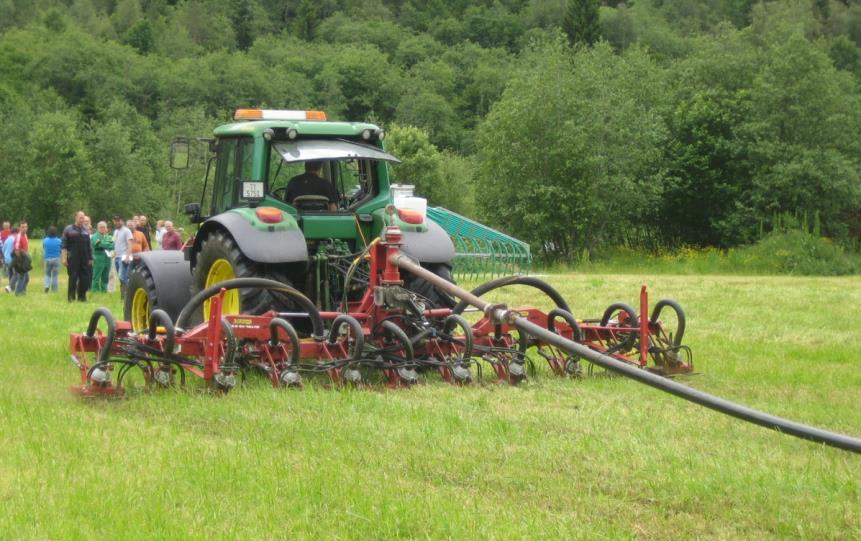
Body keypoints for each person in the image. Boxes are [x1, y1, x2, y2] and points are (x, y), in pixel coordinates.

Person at [62, 211, 93, 302]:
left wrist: (90, 258)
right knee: (73, 278)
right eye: (80, 218)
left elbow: (89, 246)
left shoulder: (86, 230)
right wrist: (64, 258)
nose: (82, 220)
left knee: (85, 278)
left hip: (85, 258)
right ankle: (71, 298)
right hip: (73, 257)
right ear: (75, 218)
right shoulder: (68, 229)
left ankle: (82, 297)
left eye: (83, 218)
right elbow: (64, 245)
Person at [90, 221, 114, 293]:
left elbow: (112, 245)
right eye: (101, 227)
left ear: (106, 228)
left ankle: (104, 290)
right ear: (97, 228)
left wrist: (103, 244)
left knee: (105, 275)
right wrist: (106, 244)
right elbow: (98, 244)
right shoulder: (94, 236)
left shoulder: (109, 237)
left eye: (104, 227)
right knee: (96, 275)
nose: (102, 229)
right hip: (98, 257)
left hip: (107, 258)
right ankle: (95, 290)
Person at [112, 215, 133, 298]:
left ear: (122, 221)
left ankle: (125, 296)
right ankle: (124, 295)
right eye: (115, 221)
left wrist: (128, 256)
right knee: (120, 277)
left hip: (123, 257)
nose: (117, 222)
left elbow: (130, 244)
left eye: (118, 220)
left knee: (123, 277)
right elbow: (114, 243)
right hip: (116, 257)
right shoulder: (115, 231)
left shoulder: (127, 231)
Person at [11, 221, 30, 296]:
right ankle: (18, 293)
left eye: (26, 227)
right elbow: (16, 251)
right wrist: (20, 262)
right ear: (19, 228)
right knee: (22, 277)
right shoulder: (18, 237)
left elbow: (25, 248)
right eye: (23, 227)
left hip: (25, 259)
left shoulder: (25, 235)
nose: (24, 228)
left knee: (26, 278)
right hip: (20, 260)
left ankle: (22, 291)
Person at [42, 226, 62, 293]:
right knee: (55, 275)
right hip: (56, 259)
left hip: (47, 259)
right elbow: (61, 250)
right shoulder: (59, 241)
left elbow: (44, 248)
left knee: (47, 274)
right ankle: (54, 290)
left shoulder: (45, 240)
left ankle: (46, 286)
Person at [3, 227, 17, 293]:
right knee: (15, 274)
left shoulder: (7, 239)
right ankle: (9, 287)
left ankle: (11, 289)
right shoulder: (15, 239)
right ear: (15, 233)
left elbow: (3, 249)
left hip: (6, 259)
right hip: (13, 259)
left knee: (10, 274)